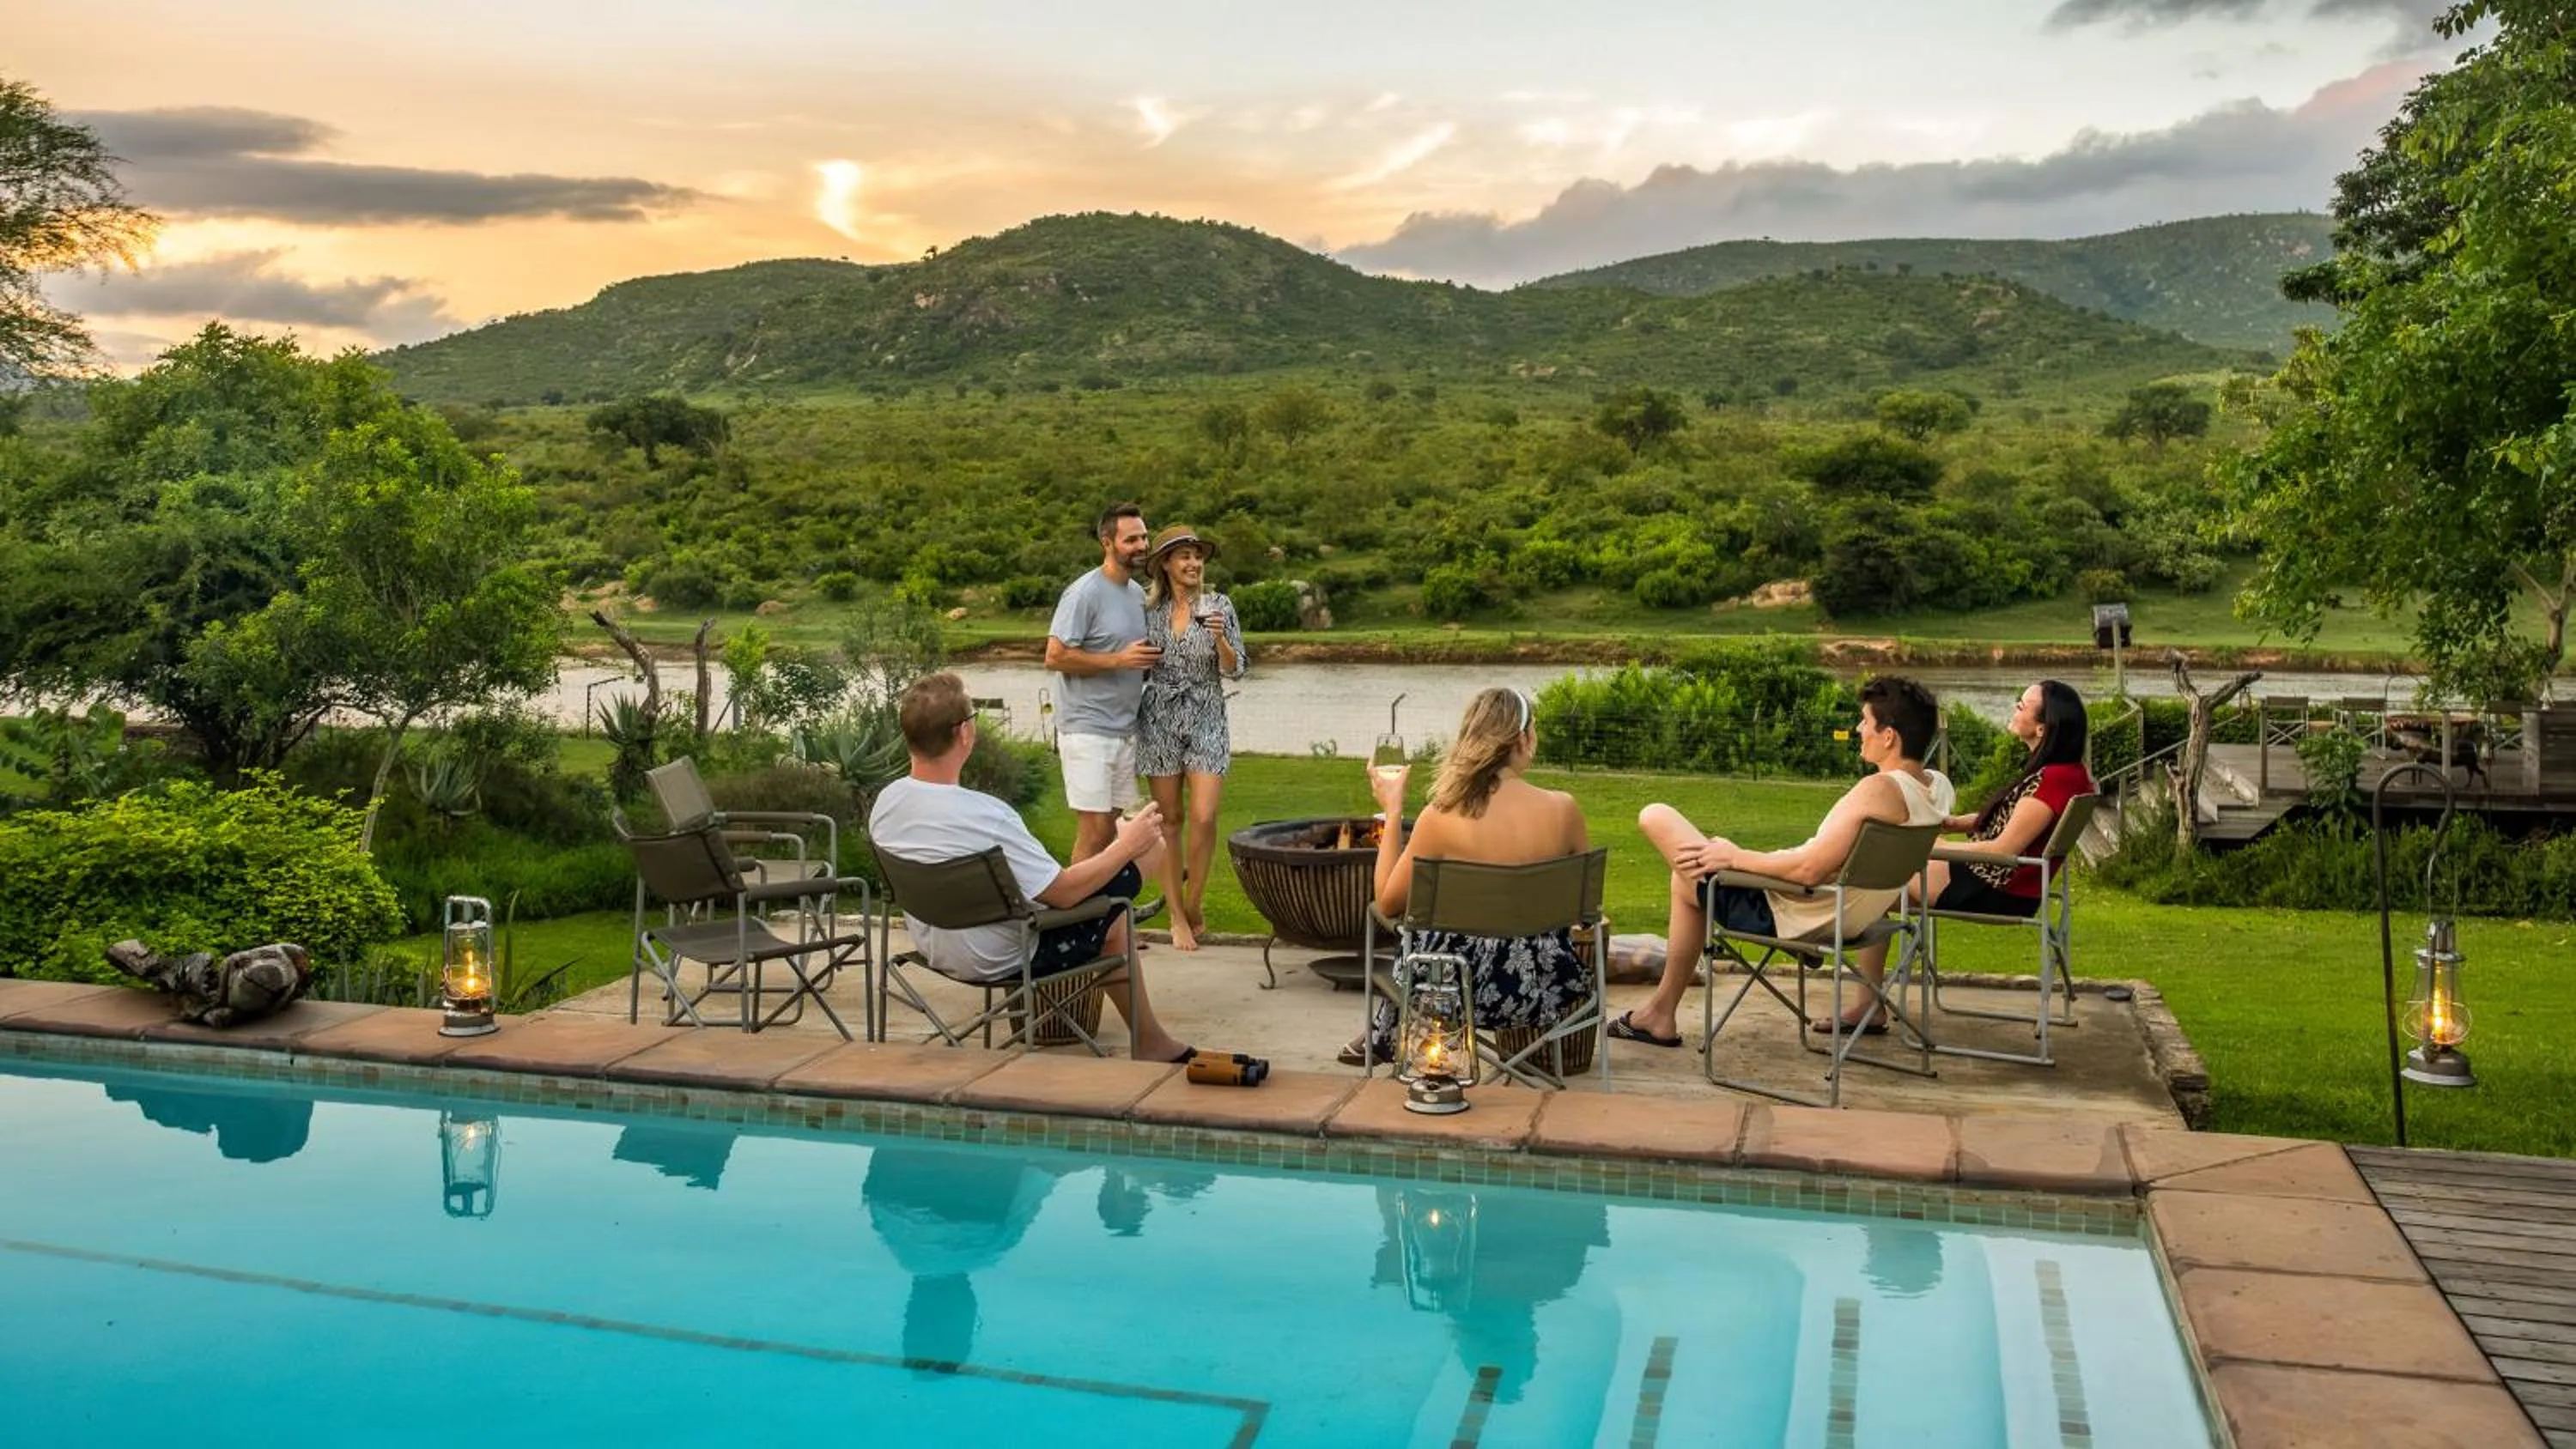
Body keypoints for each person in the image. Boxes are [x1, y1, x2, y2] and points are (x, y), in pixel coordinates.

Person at [867, 671, 1194, 1064]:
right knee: (1148, 850)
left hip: (935, 945)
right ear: (965, 734)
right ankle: (1150, 1041)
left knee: (1114, 915)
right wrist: (1126, 846)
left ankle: (1151, 1038)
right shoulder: (987, 816)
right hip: (1002, 956)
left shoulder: (886, 804)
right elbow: (1064, 892)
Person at [1614, 675, 1949, 1048]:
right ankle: (1869, 1004)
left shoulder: (1879, 789)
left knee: (1658, 822)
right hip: (1860, 913)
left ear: (1889, 737)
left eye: (1865, 722)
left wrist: (1735, 856)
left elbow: (1809, 871)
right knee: (1693, 870)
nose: (1858, 729)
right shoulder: (1936, 788)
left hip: (1797, 912)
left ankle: (1660, 1014)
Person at [1814, 678, 2095, 1034]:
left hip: (1993, 888)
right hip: (2009, 883)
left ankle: (1846, 980)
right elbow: (2010, 821)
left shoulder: (2052, 779)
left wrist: (1925, 846)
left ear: (2043, 727)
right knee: (1868, 869)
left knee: (1870, 873)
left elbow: (2003, 849)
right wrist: (1951, 823)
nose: (2014, 709)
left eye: (2021, 706)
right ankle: (1853, 983)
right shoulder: (2067, 774)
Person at [1340, 687, 1594, 1067]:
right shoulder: (1564, 810)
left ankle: (1388, 1035)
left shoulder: (1441, 816)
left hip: (1451, 992)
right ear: (1524, 738)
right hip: (1542, 988)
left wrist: (1393, 811)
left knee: (1415, 936)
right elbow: (1587, 910)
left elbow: (1387, 902)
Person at [1135, 524, 1248, 950]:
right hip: (1160, 715)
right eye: (1184, 556)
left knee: (1203, 815)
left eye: (1198, 556)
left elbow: (1237, 668)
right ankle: (1176, 916)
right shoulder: (1148, 613)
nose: (1193, 563)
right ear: (1166, 564)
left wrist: (1219, 639)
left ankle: (1195, 902)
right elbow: (1139, 665)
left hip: (1206, 713)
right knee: (1170, 821)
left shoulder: (1219, 606)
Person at [1044, 502, 1157, 863]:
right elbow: (1056, 656)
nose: (1142, 545)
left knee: (1114, 831)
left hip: (1124, 730)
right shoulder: (1083, 593)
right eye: (1131, 539)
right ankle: (1074, 915)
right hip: (1086, 729)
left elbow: (1134, 659)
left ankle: (1105, 912)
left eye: (1144, 537)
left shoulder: (1137, 594)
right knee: (1094, 830)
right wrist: (1120, 660)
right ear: (1107, 543)